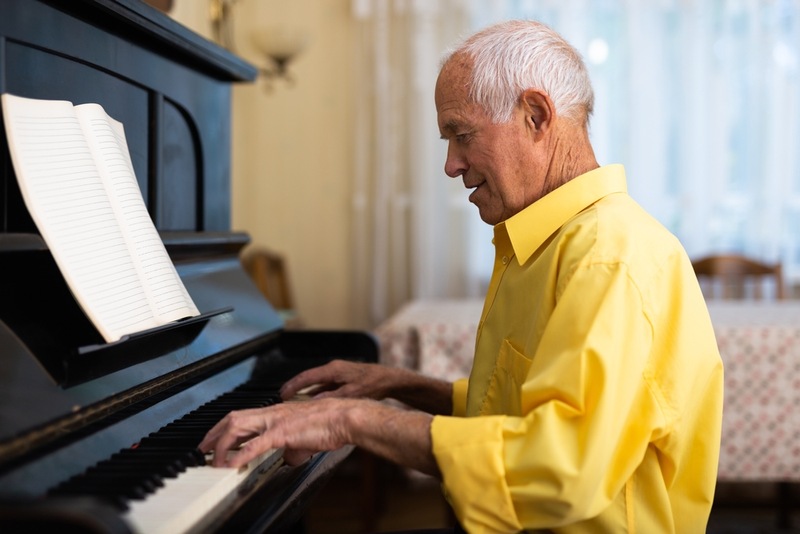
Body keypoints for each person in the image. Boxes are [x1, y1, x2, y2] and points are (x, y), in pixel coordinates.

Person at [200, 19, 724, 533]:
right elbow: (521, 411)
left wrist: (349, 420)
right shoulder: (549, 239)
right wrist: (400, 387)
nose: (450, 165)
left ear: (536, 115)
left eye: (461, 134)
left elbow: (560, 468)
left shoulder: (610, 256)